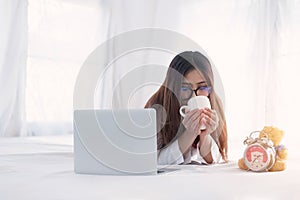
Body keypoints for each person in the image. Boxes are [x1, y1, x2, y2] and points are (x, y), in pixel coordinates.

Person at [145, 51, 228, 165]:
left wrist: (205, 134)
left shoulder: (214, 103)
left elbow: (214, 160)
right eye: (184, 89)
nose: (194, 96)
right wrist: (190, 133)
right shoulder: (157, 107)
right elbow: (154, 162)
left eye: (202, 87)